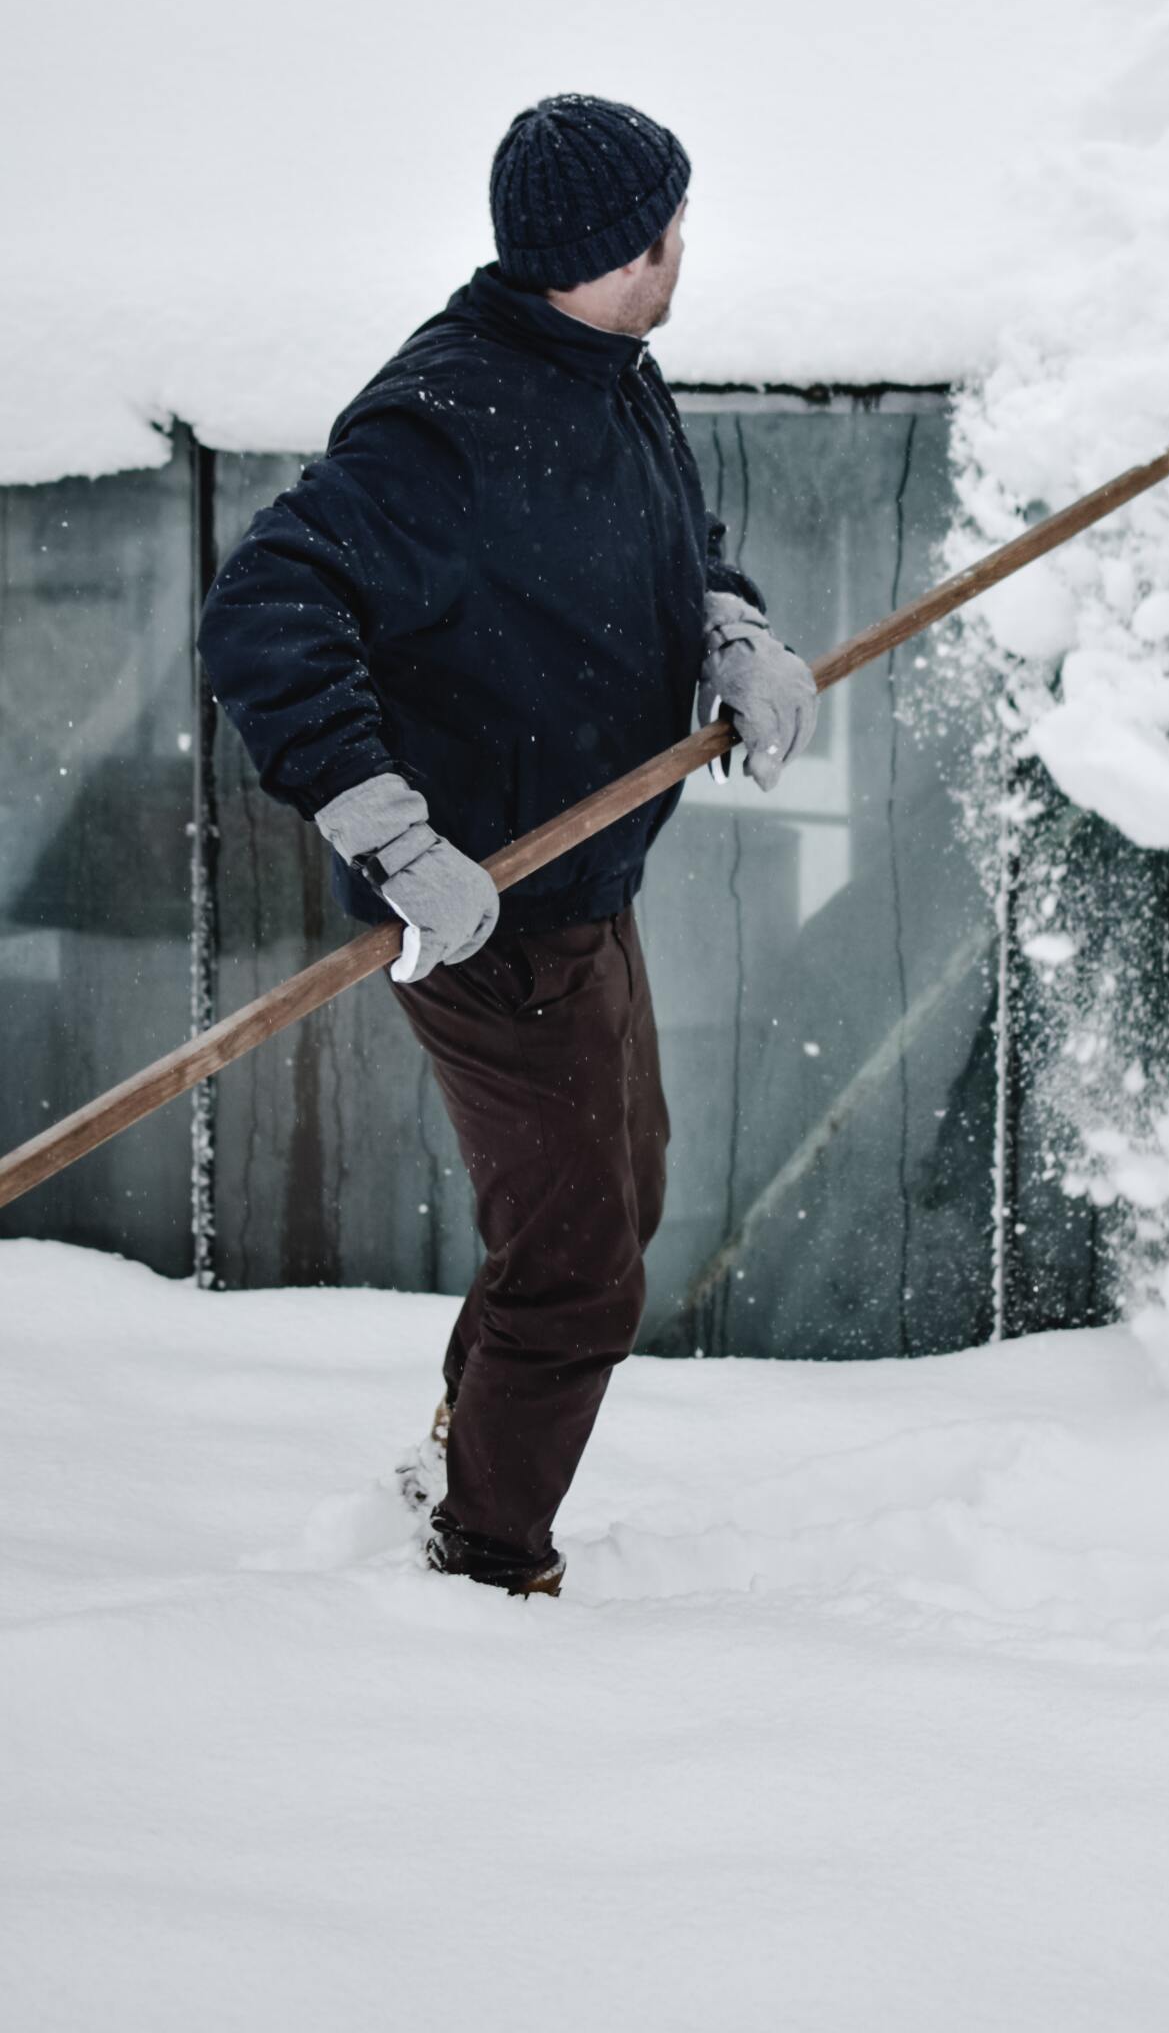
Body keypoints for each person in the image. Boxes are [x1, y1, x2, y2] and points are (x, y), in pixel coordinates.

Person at [199, 94, 816, 1597]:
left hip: (586, 891)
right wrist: (390, 831)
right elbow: (266, 610)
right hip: (486, 919)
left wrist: (727, 629)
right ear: (616, 246)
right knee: (578, 1270)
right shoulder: (447, 424)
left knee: (616, 1200)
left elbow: (668, 538)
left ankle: (459, 1461)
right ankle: (483, 1569)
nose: (684, 246)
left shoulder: (610, 374)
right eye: (668, 224)